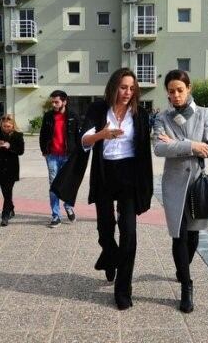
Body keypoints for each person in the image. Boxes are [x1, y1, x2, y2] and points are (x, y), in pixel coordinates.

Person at [52, 68, 153, 310]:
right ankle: (110, 255)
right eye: (123, 87)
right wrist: (102, 134)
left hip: (129, 175)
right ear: (113, 86)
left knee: (129, 233)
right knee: (104, 229)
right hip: (105, 173)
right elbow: (83, 141)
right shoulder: (98, 109)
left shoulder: (139, 113)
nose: (128, 92)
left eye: (131, 88)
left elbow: (144, 149)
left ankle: (123, 290)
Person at [153, 69, 208, 313]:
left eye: (180, 90)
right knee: (178, 234)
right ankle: (186, 287)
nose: (176, 95)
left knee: (192, 235)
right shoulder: (163, 118)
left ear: (189, 88)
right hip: (173, 185)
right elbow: (158, 148)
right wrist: (192, 145)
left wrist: (177, 145)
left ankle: (182, 269)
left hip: (198, 183)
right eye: (171, 91)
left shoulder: (204, 114)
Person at [39, 90, 80, 228]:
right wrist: (44, 151)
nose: (54, 104)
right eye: (53, 102)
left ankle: (68, 206)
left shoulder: (73, 116)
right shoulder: (48, 116)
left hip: (68, 156)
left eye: (57, 102)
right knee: (53, 186)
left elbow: (77, 137)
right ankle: (56, 216)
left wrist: (77, 154)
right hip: (52, 156)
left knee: (68, 184)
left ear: (64, 101)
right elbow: (43, 134)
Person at [0, 114, 25, 226]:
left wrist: (10, 147)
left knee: (8, 191)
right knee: (5, 192)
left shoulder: (18, 135)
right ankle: (11, 207)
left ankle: (5, 215)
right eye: (4, 126)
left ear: (13, 125)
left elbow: (21, 151)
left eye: (8, 126)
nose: (6, 128)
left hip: (11, 167)